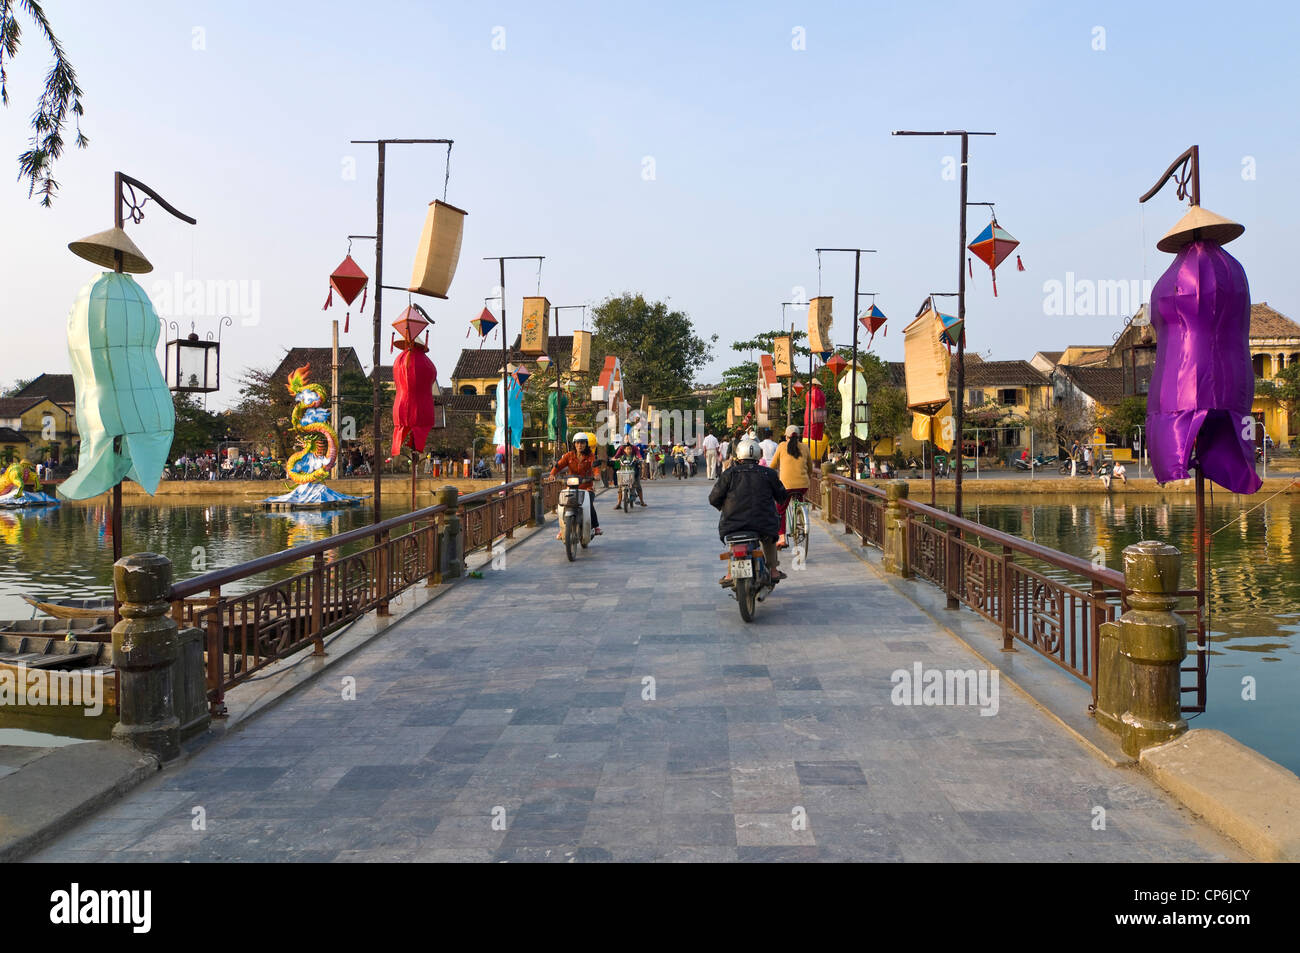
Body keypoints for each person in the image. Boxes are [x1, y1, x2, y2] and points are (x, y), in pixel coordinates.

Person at [710, 436, 789, 583]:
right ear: (759, 455)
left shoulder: (729, 474)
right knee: (769, 539)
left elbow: (713, 498)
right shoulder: (769, 474)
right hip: (763, 523)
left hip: (733, 524)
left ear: (738, 455)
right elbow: (782, 496)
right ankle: (772, 570)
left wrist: (724, 508)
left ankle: (729, 574)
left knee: (734, 543)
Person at [767, 425, 812, 548]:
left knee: (780, 510)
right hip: (803, 485)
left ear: (786, 436)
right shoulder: (805, 447)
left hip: (786, 486)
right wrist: (807, 476)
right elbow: (810, 467)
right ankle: (800, 518)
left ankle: (782, 538)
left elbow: (773, 465)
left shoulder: (781, 446)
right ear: (799, 436)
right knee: (799, 499)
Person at [550, 433, 602, 537]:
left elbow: (595, 467)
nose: (580, 445)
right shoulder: (569, 455)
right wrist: (552, 474)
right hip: (571, 487)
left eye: (582, 443)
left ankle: (596, 527)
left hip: (587, 487)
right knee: (563, 505)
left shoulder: (590, 456)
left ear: (586, 444)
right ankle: (563, 528)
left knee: (589, 504)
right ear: (574, 444)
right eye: (577, 443)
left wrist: (596, 474)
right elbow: (559, 465)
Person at [613, 440, 647, 506]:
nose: (629, 450)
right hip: (623, 473)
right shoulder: (622, 455)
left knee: (638, 486)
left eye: (630, 449)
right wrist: (614, 459)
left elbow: (638, 455)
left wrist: (639, 459)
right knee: (620, 487)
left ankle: (642, 501)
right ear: (624, 450)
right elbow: (616, 456)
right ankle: (619, 503)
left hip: (633, 473)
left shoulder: (634, 453)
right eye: (627, 449)